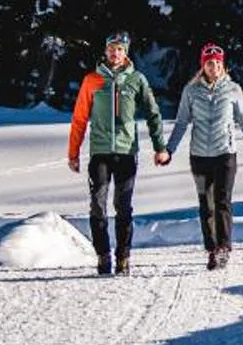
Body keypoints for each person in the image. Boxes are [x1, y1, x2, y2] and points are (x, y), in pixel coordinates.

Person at [66, 31, 167, 277]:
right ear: (105, 51)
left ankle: (123, 257)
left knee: (123, 206)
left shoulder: (136, 79)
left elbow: (153, 113)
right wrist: (73, 152)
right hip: (100, 152)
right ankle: (103, 255)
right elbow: (79, 118)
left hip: (126, 152)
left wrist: (160, 147)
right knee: (97, 206)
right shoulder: (92, 80)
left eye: (120, 49)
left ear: (126, 53)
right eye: (111, 48)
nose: (115, 53)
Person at [163, 42, 243, 271]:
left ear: (223, 65)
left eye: (218, 63)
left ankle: (223, 248)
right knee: (205, 205)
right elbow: (181, 123)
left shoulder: (233, 90)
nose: (214, 68)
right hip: (199, 156)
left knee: (222, 201)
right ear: (203, 66)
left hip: (225, 154)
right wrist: (169, 150)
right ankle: (211, 249)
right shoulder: (191, 91)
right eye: (210, 63)